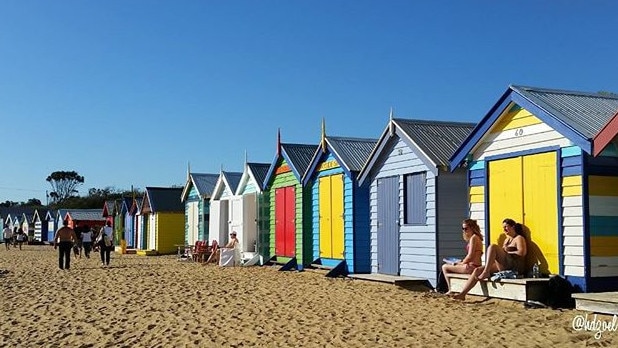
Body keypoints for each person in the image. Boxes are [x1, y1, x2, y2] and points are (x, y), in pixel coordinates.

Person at [452, 218, 527, 301]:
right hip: (504, 264)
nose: (504, 229)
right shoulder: (507, 240)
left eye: (506, 227)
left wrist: (507, 252)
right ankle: (463, 294)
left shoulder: (519, 238)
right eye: (503, 227)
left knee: (493, 246)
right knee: (477, 270)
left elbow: (522, 253)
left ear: (513, 227)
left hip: (514, 265)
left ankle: (486, 272)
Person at [440, 219, 483, 294]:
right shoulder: (476, 238)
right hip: (474, 265)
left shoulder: (474, 238)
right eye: (462, 228)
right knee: (451, 264)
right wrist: (461, 262)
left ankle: (450, 289)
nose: (464, 230)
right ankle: (452, 288)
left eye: (466, 228)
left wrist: (462, 263)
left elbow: (470, 256)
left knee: (445, 267)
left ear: (472, 228)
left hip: (471, 267)